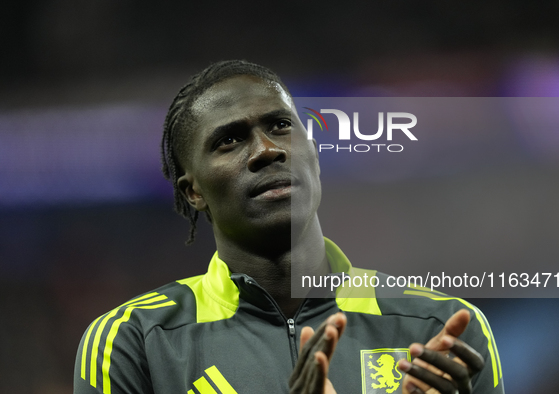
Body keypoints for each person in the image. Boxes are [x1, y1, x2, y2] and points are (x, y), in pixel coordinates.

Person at [74, 60, 504, 394]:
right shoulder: (134, 342)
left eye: (281, 125)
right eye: (229, 140)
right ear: (193, 192)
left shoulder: (439, 327)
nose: (266, 150)